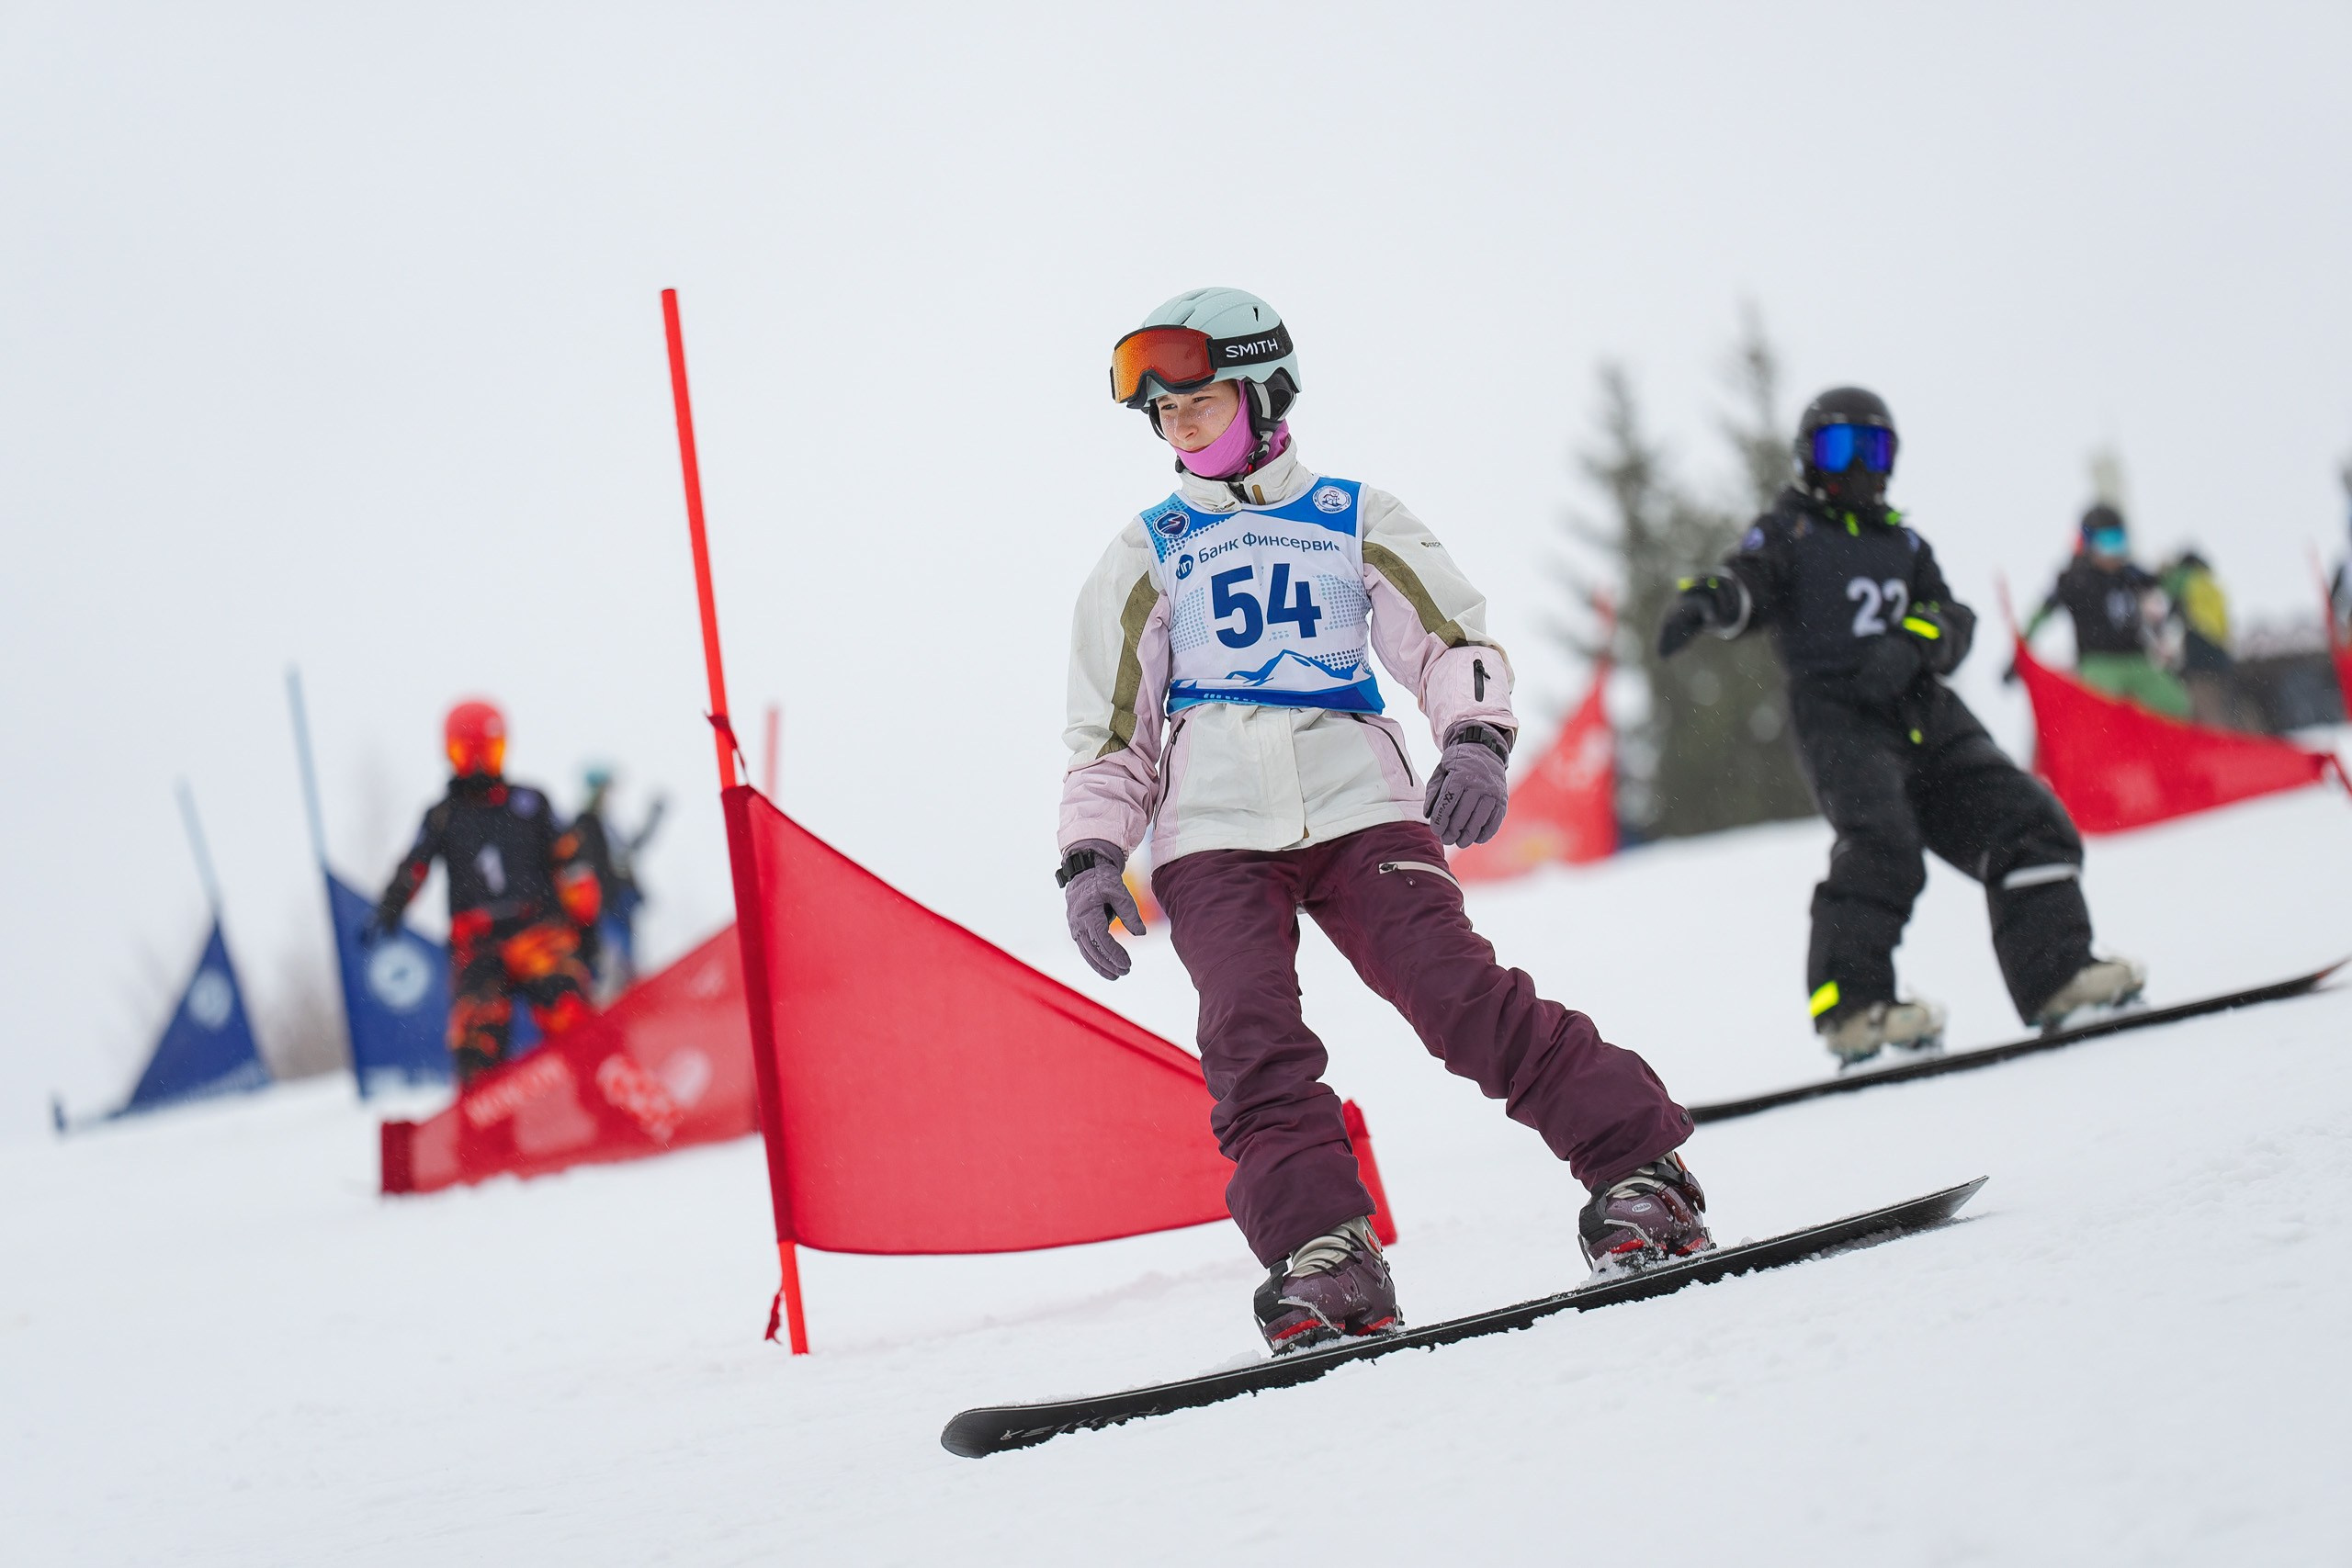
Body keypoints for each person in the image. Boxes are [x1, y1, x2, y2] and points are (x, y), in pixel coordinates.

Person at [1059, 288, 1708, 1357]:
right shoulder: (1147, 552)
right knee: (1250, 1046)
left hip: (1359, 806)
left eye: (1201, 406)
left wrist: (1473, 740)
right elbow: (1108, 727)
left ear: (1265, 396)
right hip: (1211, 834)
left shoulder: (1353, 517)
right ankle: (1328, 1258)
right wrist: (1091, 855)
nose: (1180, 431)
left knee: (1458, 999)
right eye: (1164, 417)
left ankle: (1641, 1173)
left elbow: (1449, 640)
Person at [1658, 388, 2145, 1067]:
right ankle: (1854, 1009)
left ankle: (2059, 975)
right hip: (1840, 715)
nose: (1857, 465)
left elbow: (1955, 617)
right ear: (1808, 457)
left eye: (1873, 448)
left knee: (2025, 817)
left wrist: (1914, 643)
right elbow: (1750, 581)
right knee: (1881, 840)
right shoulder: (1792, 531)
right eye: (1839, 448)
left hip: (1924, 709)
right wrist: (1712, 601)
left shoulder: (1904, 543)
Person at [370, 701, 602, 1084]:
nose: (478, 766)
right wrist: (392, 904)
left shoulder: (531, 803)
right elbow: (415, 864)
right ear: (450, 755)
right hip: (478, 944)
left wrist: (586, 923)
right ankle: (488, 1133)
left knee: (569, 1009)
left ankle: (603, 1099)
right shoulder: (443, 816)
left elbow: (571, 861)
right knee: (476, 1036)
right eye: (467, 755)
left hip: (538, 931)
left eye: (487, 753)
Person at [2017, 505, 2191, 719]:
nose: (2115, 553)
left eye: (2120, 542)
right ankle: (2109, 743)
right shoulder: (2076, 580)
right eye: (2108, 543)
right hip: (2098, 661)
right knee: (2103, 705)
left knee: (2175, 703)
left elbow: (2162, 583)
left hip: (2135, 660)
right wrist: (2020, 650)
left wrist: (2183, 573)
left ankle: (2170, 746)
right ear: (2089, 545)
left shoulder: (2129, 574)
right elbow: (2044, 612)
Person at [570, 764, 665, 1000]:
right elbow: (595, 863)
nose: (607, 796)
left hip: (621, 899)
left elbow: (628, 850)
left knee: (626, 960)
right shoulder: (586, 823)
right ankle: (615, 1005)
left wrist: (653, 820)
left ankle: (630, 1001)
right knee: (610, 959)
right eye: (604, 790)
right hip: (605, 903)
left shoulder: (606, 824)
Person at [2157, 548, 2244, 728]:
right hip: (2219, 657)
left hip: (2198, 660)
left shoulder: (2185, 585)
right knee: (2221, 709)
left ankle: (2218, 751)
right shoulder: (2211, 585)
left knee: (2204, 713)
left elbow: (2170, 623)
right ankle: (2228, 744)